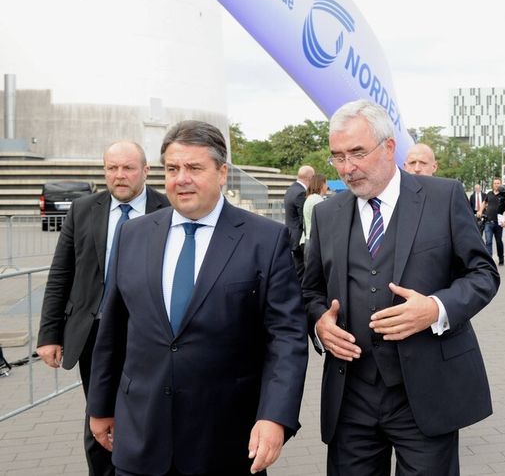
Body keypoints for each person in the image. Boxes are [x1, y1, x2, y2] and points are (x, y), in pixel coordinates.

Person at [87, 121, 308, 475]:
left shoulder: (264, 240)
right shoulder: (134, 234)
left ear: (222, 173)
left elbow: (286, 337)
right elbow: (112, 328)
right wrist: (99, 405)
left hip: (225, 441)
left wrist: (275, 416)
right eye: (172, 169)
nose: (181, 179)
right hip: (141, 436)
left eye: (194, 168)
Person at [303, 100, 499, 476]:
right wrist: (319, 324)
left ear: (389, 147)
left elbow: (483, 273)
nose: (348, 167)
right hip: (351, 395)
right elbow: (310, 290)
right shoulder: (327, 214)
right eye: (338, 157)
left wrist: (436, 309)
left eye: (358, 153)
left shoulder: (442, 197)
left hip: (425, 392)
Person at [36, 141, 170, 476]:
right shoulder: (83, 210)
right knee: (99, 417)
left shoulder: (168, 208)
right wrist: (49, 334)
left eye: (128, 168)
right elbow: (61, 274)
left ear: (146, 170)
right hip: (95, 335)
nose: (119, 176)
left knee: (152, 416)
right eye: (112, 168)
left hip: (151, 336)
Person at [284, 164, 315, 280]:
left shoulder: (291, 189)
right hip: (299, 239)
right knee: (302, 273)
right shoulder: (301, 193)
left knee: (298, 269)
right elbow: (303, 219)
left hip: (291, 236)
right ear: (310, 178)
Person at [484, 177, 505, 265]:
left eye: (498, 183)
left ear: (500, 184)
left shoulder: (504, 195)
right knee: (488, 241)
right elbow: (485, 202)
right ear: (493, 184)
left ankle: (501, 258)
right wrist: (480, 210)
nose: (496, 185)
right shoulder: (489, 194)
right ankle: (489, 259)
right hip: (488, 222)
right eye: (495, 183)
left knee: (499, 241)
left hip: (499, 223)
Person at [301, 173, 328, 247]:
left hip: (309, 238)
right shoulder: (317, 199)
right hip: (314, 240)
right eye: (326, 183)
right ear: (321, 184)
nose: (327, 186)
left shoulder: (311, 198)